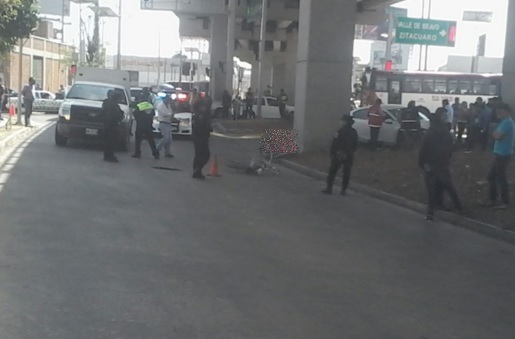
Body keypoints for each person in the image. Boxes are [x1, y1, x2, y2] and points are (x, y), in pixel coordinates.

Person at [419, 107, 463, 221]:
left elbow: (423, 149)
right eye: (444, 115)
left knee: (434, 188)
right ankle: (458, 207)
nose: (445, 117)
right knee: (446, 186)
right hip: (440, 163)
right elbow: (449, 148)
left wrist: (422, 163)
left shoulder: (431, 131)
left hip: (432, 164)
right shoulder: (444, 132)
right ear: (439, 116)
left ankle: (432, 211)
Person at [483, 103, 515, 209]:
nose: (498, 113)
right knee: (492, 176)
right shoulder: (504, 122)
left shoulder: (507, 122)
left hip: (503, 154)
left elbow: (497, 136)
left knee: (500, 178)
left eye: (500, 111)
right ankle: (494, 199)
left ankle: (504, 201)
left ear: (507, 111)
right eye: (497, 112)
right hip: (499, 153)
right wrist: (496, 134)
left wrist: (496, 134)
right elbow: (495, 134)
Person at [322, 115, 358, 196]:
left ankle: (329, 188)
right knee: (346, 173)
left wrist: (333, 153)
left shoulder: (340, 131)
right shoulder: (354, 132)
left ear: (345, 122)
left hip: (339, 154)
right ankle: (343, 190)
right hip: (349, 155)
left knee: (332, 171)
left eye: (342, 121)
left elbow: (335, 143)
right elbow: (355, 144)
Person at [101, 90, 124, 163]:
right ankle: (110, 156)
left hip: (106, 124)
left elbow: (103, 112)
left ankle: (107, 155)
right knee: (112, 141)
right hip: (112, 125)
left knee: (107, 141)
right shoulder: (113, 104)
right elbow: (116, 115)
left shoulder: (107, 102)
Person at [192, 99, 212, 179]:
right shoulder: (199, 116)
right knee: (205, 155)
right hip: (200, 137)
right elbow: (200, 127)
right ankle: (197, 170)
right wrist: (208, 128)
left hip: (199, 137)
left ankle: (197, 171)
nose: (205, 108)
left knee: (198, 155)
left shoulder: (201, 115)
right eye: (203, 106)